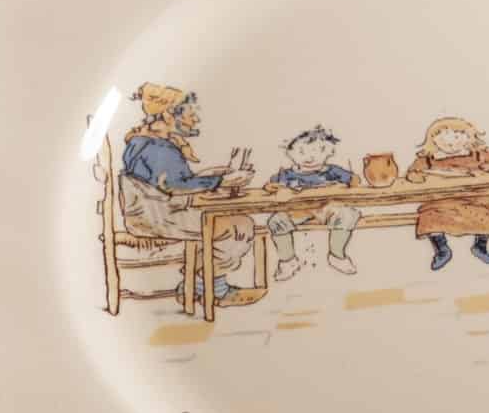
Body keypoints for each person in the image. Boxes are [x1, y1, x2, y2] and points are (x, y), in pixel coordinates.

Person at [119, 83, 254, 305]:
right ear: (168, 114)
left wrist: (212, 177)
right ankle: (213, 289)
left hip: (153, 214)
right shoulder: (158, 148)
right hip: (158, 218)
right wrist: (222, 181)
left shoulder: (143, 142)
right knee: (239, 226)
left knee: (225, 224)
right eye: (191, 114)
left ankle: (195, 284)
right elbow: (174, 185)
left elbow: (170, 182)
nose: (195, 120)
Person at [405, 117, 489, 271]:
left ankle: (480, 246)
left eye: (457, 137)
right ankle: (442, 250)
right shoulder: (429, 160)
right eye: (444, 140)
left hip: (474, 201)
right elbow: (412, 171)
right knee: (430, 217)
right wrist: (414, 176)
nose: (452, 144)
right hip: (440, 203)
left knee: (486, 215)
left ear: (469, 137)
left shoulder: (478, 155)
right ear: (433, 141)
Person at [264, 125, 360, 280]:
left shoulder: (332, 171)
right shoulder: (287, 174)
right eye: (301, 152)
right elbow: (270, 186)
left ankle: (337, 255)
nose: (309, 158)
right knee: (276, 221)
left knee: (348, 214)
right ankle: (288, 261)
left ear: (329, 151)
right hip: (298, 210)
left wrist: (345, 184)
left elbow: (355, 180)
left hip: (327, 208)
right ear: (290, 153)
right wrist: (277, 188)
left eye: (317, 151)